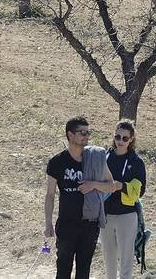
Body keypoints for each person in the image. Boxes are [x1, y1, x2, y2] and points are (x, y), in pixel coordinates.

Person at [45, 115, 117, 279]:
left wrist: (93, 185)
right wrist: (48, 223)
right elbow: (50, 195)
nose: (86, 136)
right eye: (82, 132)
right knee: (63, 269)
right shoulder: (57, 162)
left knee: (83, 271)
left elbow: (111, 186)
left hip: (89, 225)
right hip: (67, 224)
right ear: (70, 135)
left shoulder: (96, 158)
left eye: (88, 132)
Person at [101, 119, 147, 279]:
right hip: (105, 215)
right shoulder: (105, 157)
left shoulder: (136, 162)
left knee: (126, 259)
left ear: (131, 139)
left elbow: (140, 192)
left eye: (125, 138)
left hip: (127, 214)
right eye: (117, 137)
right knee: (108, 258)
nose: (120, 141)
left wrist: (122, 186)